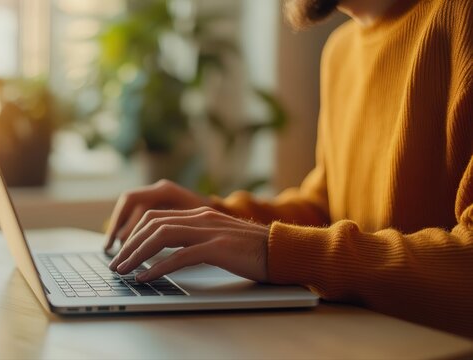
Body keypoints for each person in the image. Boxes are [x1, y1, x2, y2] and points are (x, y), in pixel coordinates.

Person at [104, 0, 473, 338]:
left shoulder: (461, 16)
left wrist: (272, 249)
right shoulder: (341, 51)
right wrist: (214, 218)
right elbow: (327, 208)